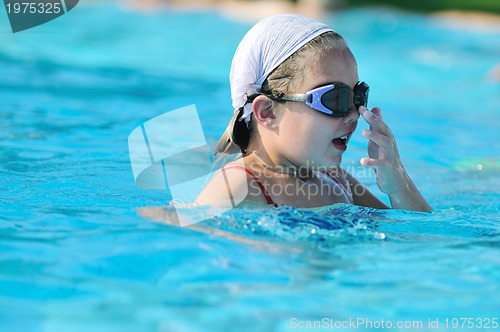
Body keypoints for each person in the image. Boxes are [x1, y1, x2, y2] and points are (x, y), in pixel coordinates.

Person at [195, 14, 431, 212]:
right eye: (335, 99)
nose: (353, 115)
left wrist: (397, 183)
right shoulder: (239, 186)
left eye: (358, 97)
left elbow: (417, 238)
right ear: (268, 112)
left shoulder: (335, 179)